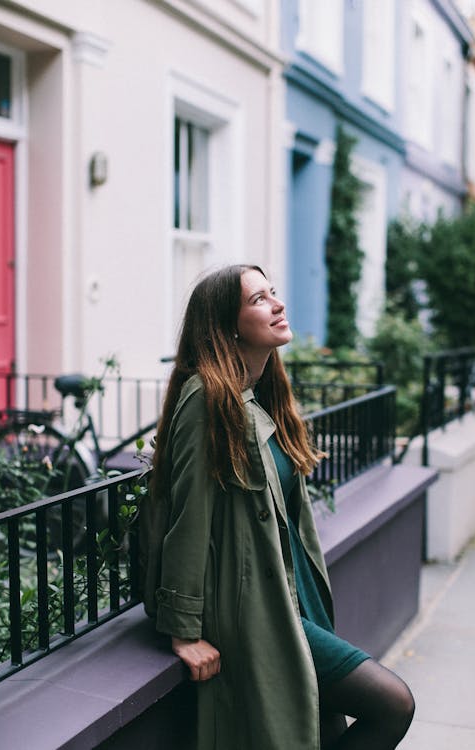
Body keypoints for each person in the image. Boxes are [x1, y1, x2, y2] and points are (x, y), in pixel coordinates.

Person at [142, 264, 415, 750]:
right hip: (253, 611)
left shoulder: (262, 393)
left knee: (323, 726)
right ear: (227, 325)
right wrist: (183, 632)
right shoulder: (206, 396)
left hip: (293, 600)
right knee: (393, 703)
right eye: (258, 299)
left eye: (274, 293)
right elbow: (187, 519)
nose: (277, 303)